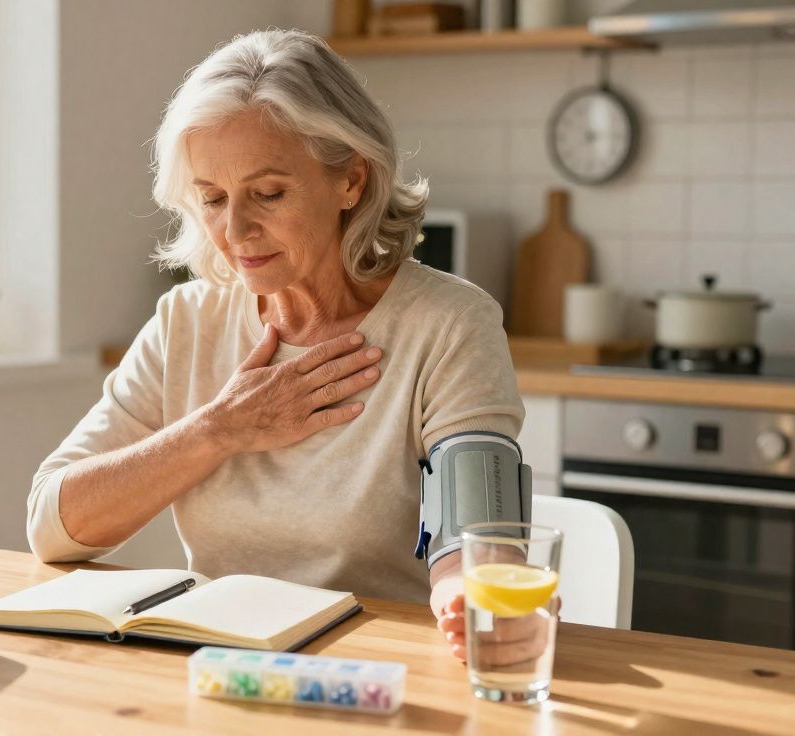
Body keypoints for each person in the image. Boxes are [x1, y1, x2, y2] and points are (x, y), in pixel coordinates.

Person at [27, 29, 525, 662]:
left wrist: (473, 595)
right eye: (212, 198)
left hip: (375, 669)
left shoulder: (449, 325)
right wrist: (219, 429)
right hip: (221, 667)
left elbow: (477, 536)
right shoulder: (187, 322)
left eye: (267, 193)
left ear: (351, 180)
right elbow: (54, 527)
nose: (234, 229)